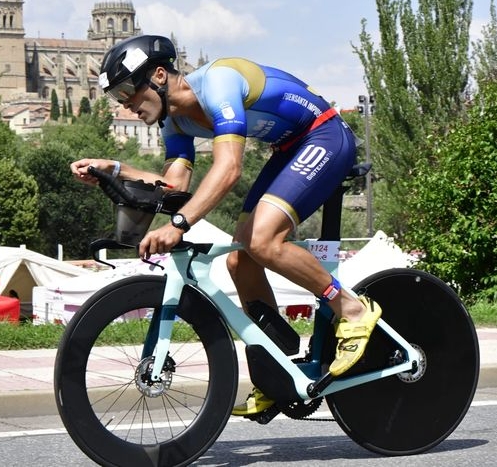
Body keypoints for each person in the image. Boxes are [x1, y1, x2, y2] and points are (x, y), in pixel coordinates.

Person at [70, 34, 381, 416]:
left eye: (127, 91)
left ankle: (352, 309)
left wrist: (179, 225)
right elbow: (173, 186)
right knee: (240, 260)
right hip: (289, 149)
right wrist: (114, 169)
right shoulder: (175, 123)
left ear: (159, 76)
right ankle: (277, 373)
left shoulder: (218, 82)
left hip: (324, 135)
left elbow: (230, 168)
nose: (126, 104)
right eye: (117, 98)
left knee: (262, 240)